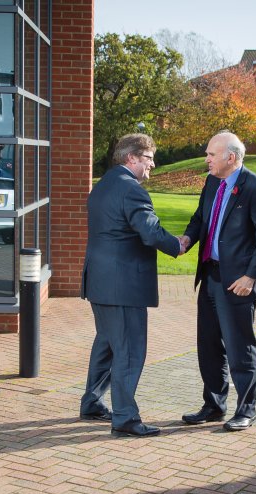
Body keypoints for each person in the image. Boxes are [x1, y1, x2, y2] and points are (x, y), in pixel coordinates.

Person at [80, 133, 186, 438]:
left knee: (107, 344)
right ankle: (125, 417)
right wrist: (176, 245)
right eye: (149, 159)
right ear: (132, 158)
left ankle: (92, 401)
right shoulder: (132, 190)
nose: (153, 165)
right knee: (129, 350)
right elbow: (150, 233)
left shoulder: (102, 185)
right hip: (122, 286)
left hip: (99, 282)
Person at [179, 131, 256, 431]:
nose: (206, 159)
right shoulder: (212, 182)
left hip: (238, 281)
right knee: (207, 345)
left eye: (211, 154)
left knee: (239, 347)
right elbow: (200, 218)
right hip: (210, 276)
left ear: (230, 158)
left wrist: (251, 276)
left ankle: (246, 409)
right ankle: (213, 405)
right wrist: (187, 238)